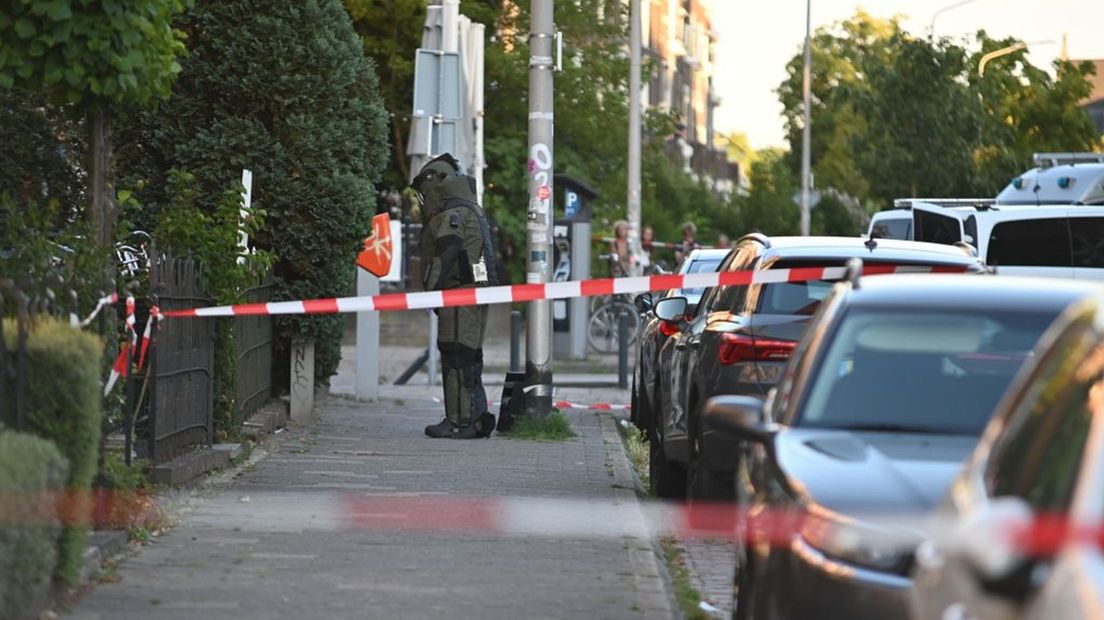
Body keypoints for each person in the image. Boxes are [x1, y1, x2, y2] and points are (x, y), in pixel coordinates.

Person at [411, 153, 500, 439]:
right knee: (468, 357)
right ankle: (473, 419)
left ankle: (459, 421)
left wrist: (430, 293)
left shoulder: (452, 214)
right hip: (473, 294)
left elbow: (445, 255)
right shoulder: (470, 208)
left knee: (456, 356)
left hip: (459, 295)